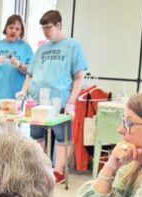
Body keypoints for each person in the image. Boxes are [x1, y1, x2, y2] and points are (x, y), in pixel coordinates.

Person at [17, 10, 87, 185]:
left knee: (63, 137)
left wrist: (71, 102)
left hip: (60, 101)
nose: (46, 32)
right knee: (37, 136)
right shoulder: (41, 48)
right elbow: (30, 75)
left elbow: (79, 77)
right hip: (38, 102)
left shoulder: (73, 46)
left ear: (59, 25)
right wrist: (23, 91)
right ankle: (40, 170)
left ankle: (58, 171)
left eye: (48, 28)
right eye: (43, 29)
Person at [0, 15, 33, 108]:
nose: (14, 31)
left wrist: (19, 65)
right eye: (11, 27)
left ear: (21, 32)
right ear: (6, 28)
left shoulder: (25, 48)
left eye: (17, 29)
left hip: (15, 101)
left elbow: (32, 72)